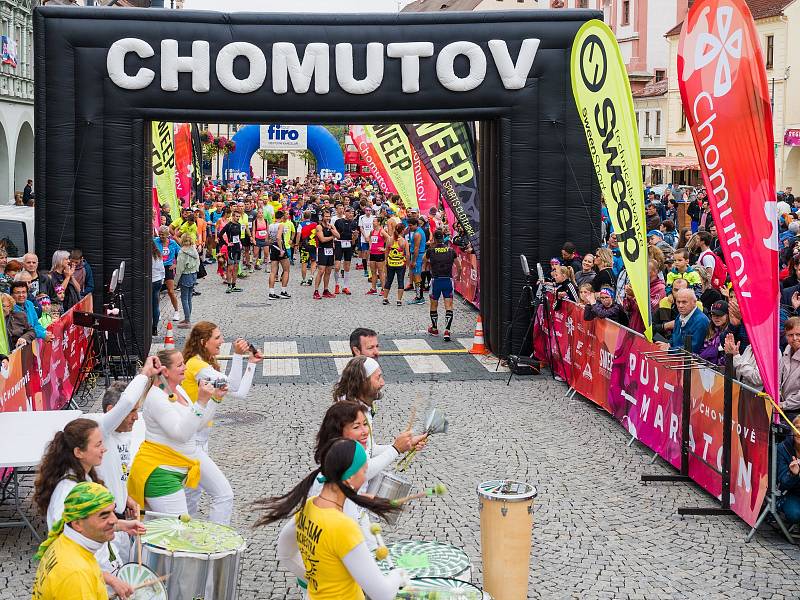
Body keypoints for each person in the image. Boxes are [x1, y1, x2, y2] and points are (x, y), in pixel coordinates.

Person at [261, 439, 410, 600]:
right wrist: (397, 575)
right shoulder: (343, 527)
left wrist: (317, 580)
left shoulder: (309, 507)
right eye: (364, 471)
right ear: (349, 478)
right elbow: (383, 595)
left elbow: (285, 554)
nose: (365, 478)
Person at [33, 419, 145, 599]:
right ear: (78, 452)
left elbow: (89, 525)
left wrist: (121, 525)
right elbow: (68, 542)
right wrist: (109, 578)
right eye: (98, 444)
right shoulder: (67, 493)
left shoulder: (84, 476)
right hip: (91, 580)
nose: (104, 448)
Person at [127, 349, 231, 524]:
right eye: (180, 365)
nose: (185, 367)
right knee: (176, 533)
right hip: (161, 471)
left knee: (224, 494)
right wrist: (201, 402)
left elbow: (196, 425)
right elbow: (181, 434)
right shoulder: (156, 398)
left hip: (180, 462)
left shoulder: (179, 390)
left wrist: (214, 400)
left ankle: (218, 543)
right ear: (165, 371)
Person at [180, 321, 263, 520]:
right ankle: (216, 543)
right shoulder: (197, 366)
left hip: (200, 440)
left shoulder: (203, 364)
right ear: (203, 342)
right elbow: (233, 385)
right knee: (223, 495)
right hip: (191, 442)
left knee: (191, 496)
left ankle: (184, 539)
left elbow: (240, 393)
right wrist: (237, 355)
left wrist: (250, 364)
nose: (222, 341)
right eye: (217, 338)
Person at [31, 482, 121, 600]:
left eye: (113, 512)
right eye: (104, 516)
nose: (114, 520)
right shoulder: (77, 573)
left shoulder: (63, 541)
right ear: (77, 524)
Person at [423, 229, 461, 341]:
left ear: (434, 238)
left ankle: (434, 328)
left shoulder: (431, 250)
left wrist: (428, 265)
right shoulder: (451, 250)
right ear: (443, 237)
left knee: (434, 305)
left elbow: (424, 259)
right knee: (448, 306)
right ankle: (447, 331)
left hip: (436, 280)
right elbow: (459, 266)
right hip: (447, 280)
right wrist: (458, 276)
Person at [656, 288, 709, 353]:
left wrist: (669, 349)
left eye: (684, 302)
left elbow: (692, 349)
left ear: (694, 302)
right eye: (678, 302)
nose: (680, 306)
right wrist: (667, 344)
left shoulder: (701, 321)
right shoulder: (681, 315)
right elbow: (674, 337)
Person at [777, 415, 800, 525]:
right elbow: (783, 482)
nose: (799, 432)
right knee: (794, 514)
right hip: (790, 493)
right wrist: (793, 474)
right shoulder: (783, 448)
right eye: (797, 428)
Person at [174, 233, 200, 329]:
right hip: (193, 274)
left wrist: (175, 282)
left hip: (185, 275)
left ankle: (187, 320)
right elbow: (198, 261)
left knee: (184, 298)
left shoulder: (182, 252)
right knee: (189, 297)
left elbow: (179, 269)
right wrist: (195, 271)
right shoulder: (194, 249)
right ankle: (187, 318)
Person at [314, 209, 340, 299]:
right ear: (322, 217)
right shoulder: (319, 227)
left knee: (328, 271)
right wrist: (332, 237)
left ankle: (326, 290)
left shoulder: (331, 226)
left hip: (330, 250)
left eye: (329, 216)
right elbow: (322, 239)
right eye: (326, 216)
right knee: (321, 271)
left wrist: (331, 230)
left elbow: (338, 236)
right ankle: (316, 291)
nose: (327, 218)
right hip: (322, 249)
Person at [382, 222, 409, 306]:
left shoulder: (389, 239)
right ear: (402, 231)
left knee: (389, 280)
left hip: (391, 263)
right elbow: (407, 254)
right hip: (400, 263)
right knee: (400, 281)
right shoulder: (404, 241)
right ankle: (399, 300)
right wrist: (407, 264)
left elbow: (386, 251)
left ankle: (385, 298)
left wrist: (386, 261)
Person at [268, 210, 291, 302]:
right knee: (286, 270)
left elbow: (268, 239)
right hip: (280, 247)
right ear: (281, 218)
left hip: (273, 248)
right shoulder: (281, 225)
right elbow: (278, 237)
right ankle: (283, 291)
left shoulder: (270, 225)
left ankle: (271, 292)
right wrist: (281, 249)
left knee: (273, 271)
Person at [333, 206, 357, 295]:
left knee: (347, 266)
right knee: (337, 266)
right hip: (339, 243)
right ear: (345, 213)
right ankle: (337, 284)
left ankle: (345, 286)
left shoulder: (354, 223)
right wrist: (333, 242)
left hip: (349, 244)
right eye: (349, 213)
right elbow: (334, 233)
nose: (351, 215)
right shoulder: (338, 221)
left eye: (352, 213)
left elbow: (354, 240)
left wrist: (355, 236)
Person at [779, 317, 800, 418]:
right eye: (791, 335)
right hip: (782, 407)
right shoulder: (787, 351)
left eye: (798, 334)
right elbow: (779, 377)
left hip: (796, 411)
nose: (795, 338)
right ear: (786, 336)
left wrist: (784, 405)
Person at [698, 300, 729, 365]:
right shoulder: (710, 329)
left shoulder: (729, 332)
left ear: (727, 315)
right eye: (713, 314)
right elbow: (702, 349)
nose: (716, 317)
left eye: (719, 315)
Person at [405, 217, 427, 304]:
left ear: (415, 225)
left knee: (417, 276)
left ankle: (419, 297)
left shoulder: (417, 234)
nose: (409, 227)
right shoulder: (418, 231)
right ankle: (419, 296)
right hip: (418, 255)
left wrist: (413, 261)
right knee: (416, 276)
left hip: (417, 256)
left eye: (410, 226)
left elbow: (416, 248)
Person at [366, 216, 386, 297]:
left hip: (379, 254)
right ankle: (373, 289)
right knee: (373, 272)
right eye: (373, 221)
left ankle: (383, 289)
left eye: (374, 221)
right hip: (372, 253)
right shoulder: (372, 231)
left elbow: (389, 238)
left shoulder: (382, 231)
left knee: (381, 272)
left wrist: (384, 249)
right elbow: (368, 238)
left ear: (378, 222)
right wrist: (370, 245)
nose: (373, 223)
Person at [151, 240, 164, 336]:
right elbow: (162, 269)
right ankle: (154, 327)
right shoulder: (158, 255)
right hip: (158, 281)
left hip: (150, 282)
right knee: (155, 306)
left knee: (147, 306)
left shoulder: (147, 256)